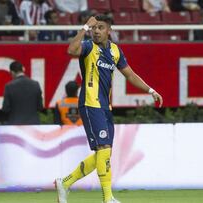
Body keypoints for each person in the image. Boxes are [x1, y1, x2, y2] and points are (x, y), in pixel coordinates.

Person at [54, 15, 163, 203]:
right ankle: (107, 198)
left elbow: (130, 74)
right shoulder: (88, 46)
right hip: (89, 103)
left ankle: (65, 182)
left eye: (100, 27)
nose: (96, 31)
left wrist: (150, 90)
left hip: (105, 107)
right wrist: (84, 27)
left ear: (109, 31)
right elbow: (71, 50)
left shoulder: (114, 51)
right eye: (94, 28)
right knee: (104, 148)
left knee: (102, 154)